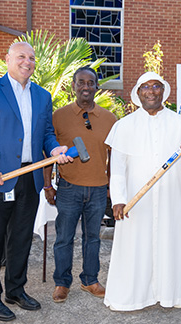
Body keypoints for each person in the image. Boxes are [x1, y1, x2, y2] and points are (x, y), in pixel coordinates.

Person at [0, 42, 72, 322]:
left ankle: (15, 289)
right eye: (21, 56)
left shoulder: (42, 95)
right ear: (8, 59)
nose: (27, 62)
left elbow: (46, 133)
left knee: (21, 238)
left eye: (32, 58)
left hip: (29, 176)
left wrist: (56, 148)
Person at [103, 71, 181, 311]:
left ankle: (170, 294)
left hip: (171, 199)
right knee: (134, 249)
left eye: (156, 86)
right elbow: (116, 169)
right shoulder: (124, 125)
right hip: (136, 202)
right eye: (145, 87)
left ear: (163, 91)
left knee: (170, 245)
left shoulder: (180, 123)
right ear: (138, 93)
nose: (151, 91)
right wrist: (118, 200)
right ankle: (133, 297)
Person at [44, 66, 117, 303]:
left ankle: (90, 280)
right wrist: (48, 185)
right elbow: (48, 153)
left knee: (92, 238)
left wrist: (111, 186)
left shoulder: (109, 119)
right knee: (64, 237)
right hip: (68, 187)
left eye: (91, 82)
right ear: (73, 86)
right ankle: (61, 283)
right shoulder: (59, 116)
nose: (86, 86)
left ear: (97, 87)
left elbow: (114, 156)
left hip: (98, 189)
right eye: (81, 82)